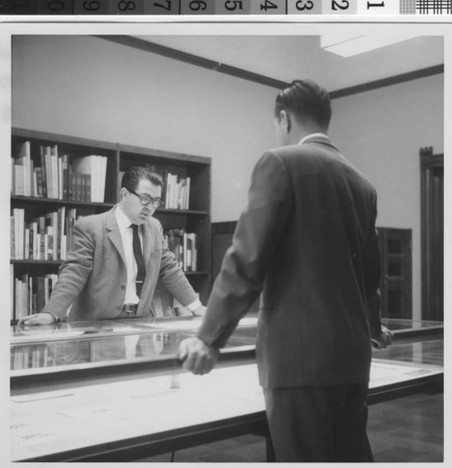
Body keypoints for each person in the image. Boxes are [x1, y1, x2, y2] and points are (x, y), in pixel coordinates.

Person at [178, 79, 393, 462]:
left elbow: (246, 259)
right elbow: (370, 275)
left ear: (283, 118)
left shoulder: (279, 162)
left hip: (298, 361)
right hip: (352, 357)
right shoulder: (363, 184)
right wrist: (373, 328)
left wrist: (209, 338)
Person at [19, 166, 205, 325]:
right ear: (124, 194)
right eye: (145, 199)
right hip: (96, 325)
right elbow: (74, 273)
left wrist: (197, 308)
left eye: (156, 201)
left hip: (141, 323)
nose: (150, 207)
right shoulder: (91, 227)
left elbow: (170, 269)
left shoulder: (154, 227)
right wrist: (51, 313)